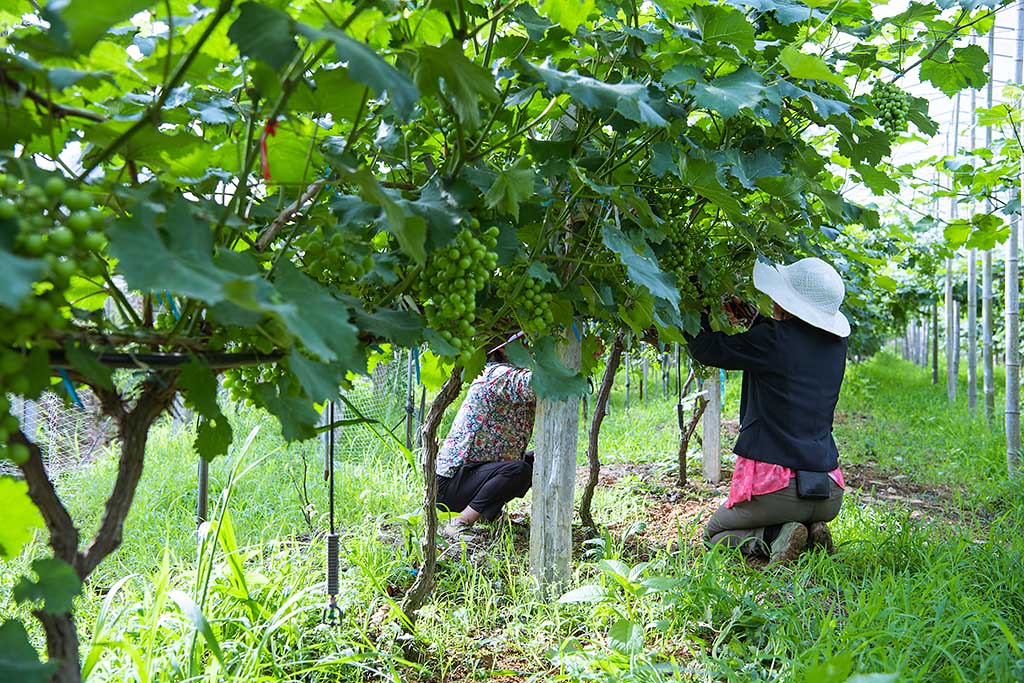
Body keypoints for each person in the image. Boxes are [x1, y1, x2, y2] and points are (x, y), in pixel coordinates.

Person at [685, 257, 849, 563]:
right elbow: (793, 346)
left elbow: (705, 348)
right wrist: (754, 320)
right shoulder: (837, 346)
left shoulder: (772, 341)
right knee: (793, 513)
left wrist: (692, 308)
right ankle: (812, 530)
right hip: (828, 492)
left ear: (787, 304)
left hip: (778, 490)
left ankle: (775, 536)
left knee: (715, 533)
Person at [437, 336, 536, 541]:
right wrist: (567, 368)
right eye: (523, 342)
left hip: (471, 476)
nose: (530, 347)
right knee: (518, 470)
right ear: (501, 350)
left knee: (534, 461)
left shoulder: (505, 373)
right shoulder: (495, 374)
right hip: (451, 484)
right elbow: (535, 384)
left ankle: (488, 514)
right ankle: (459, 522)